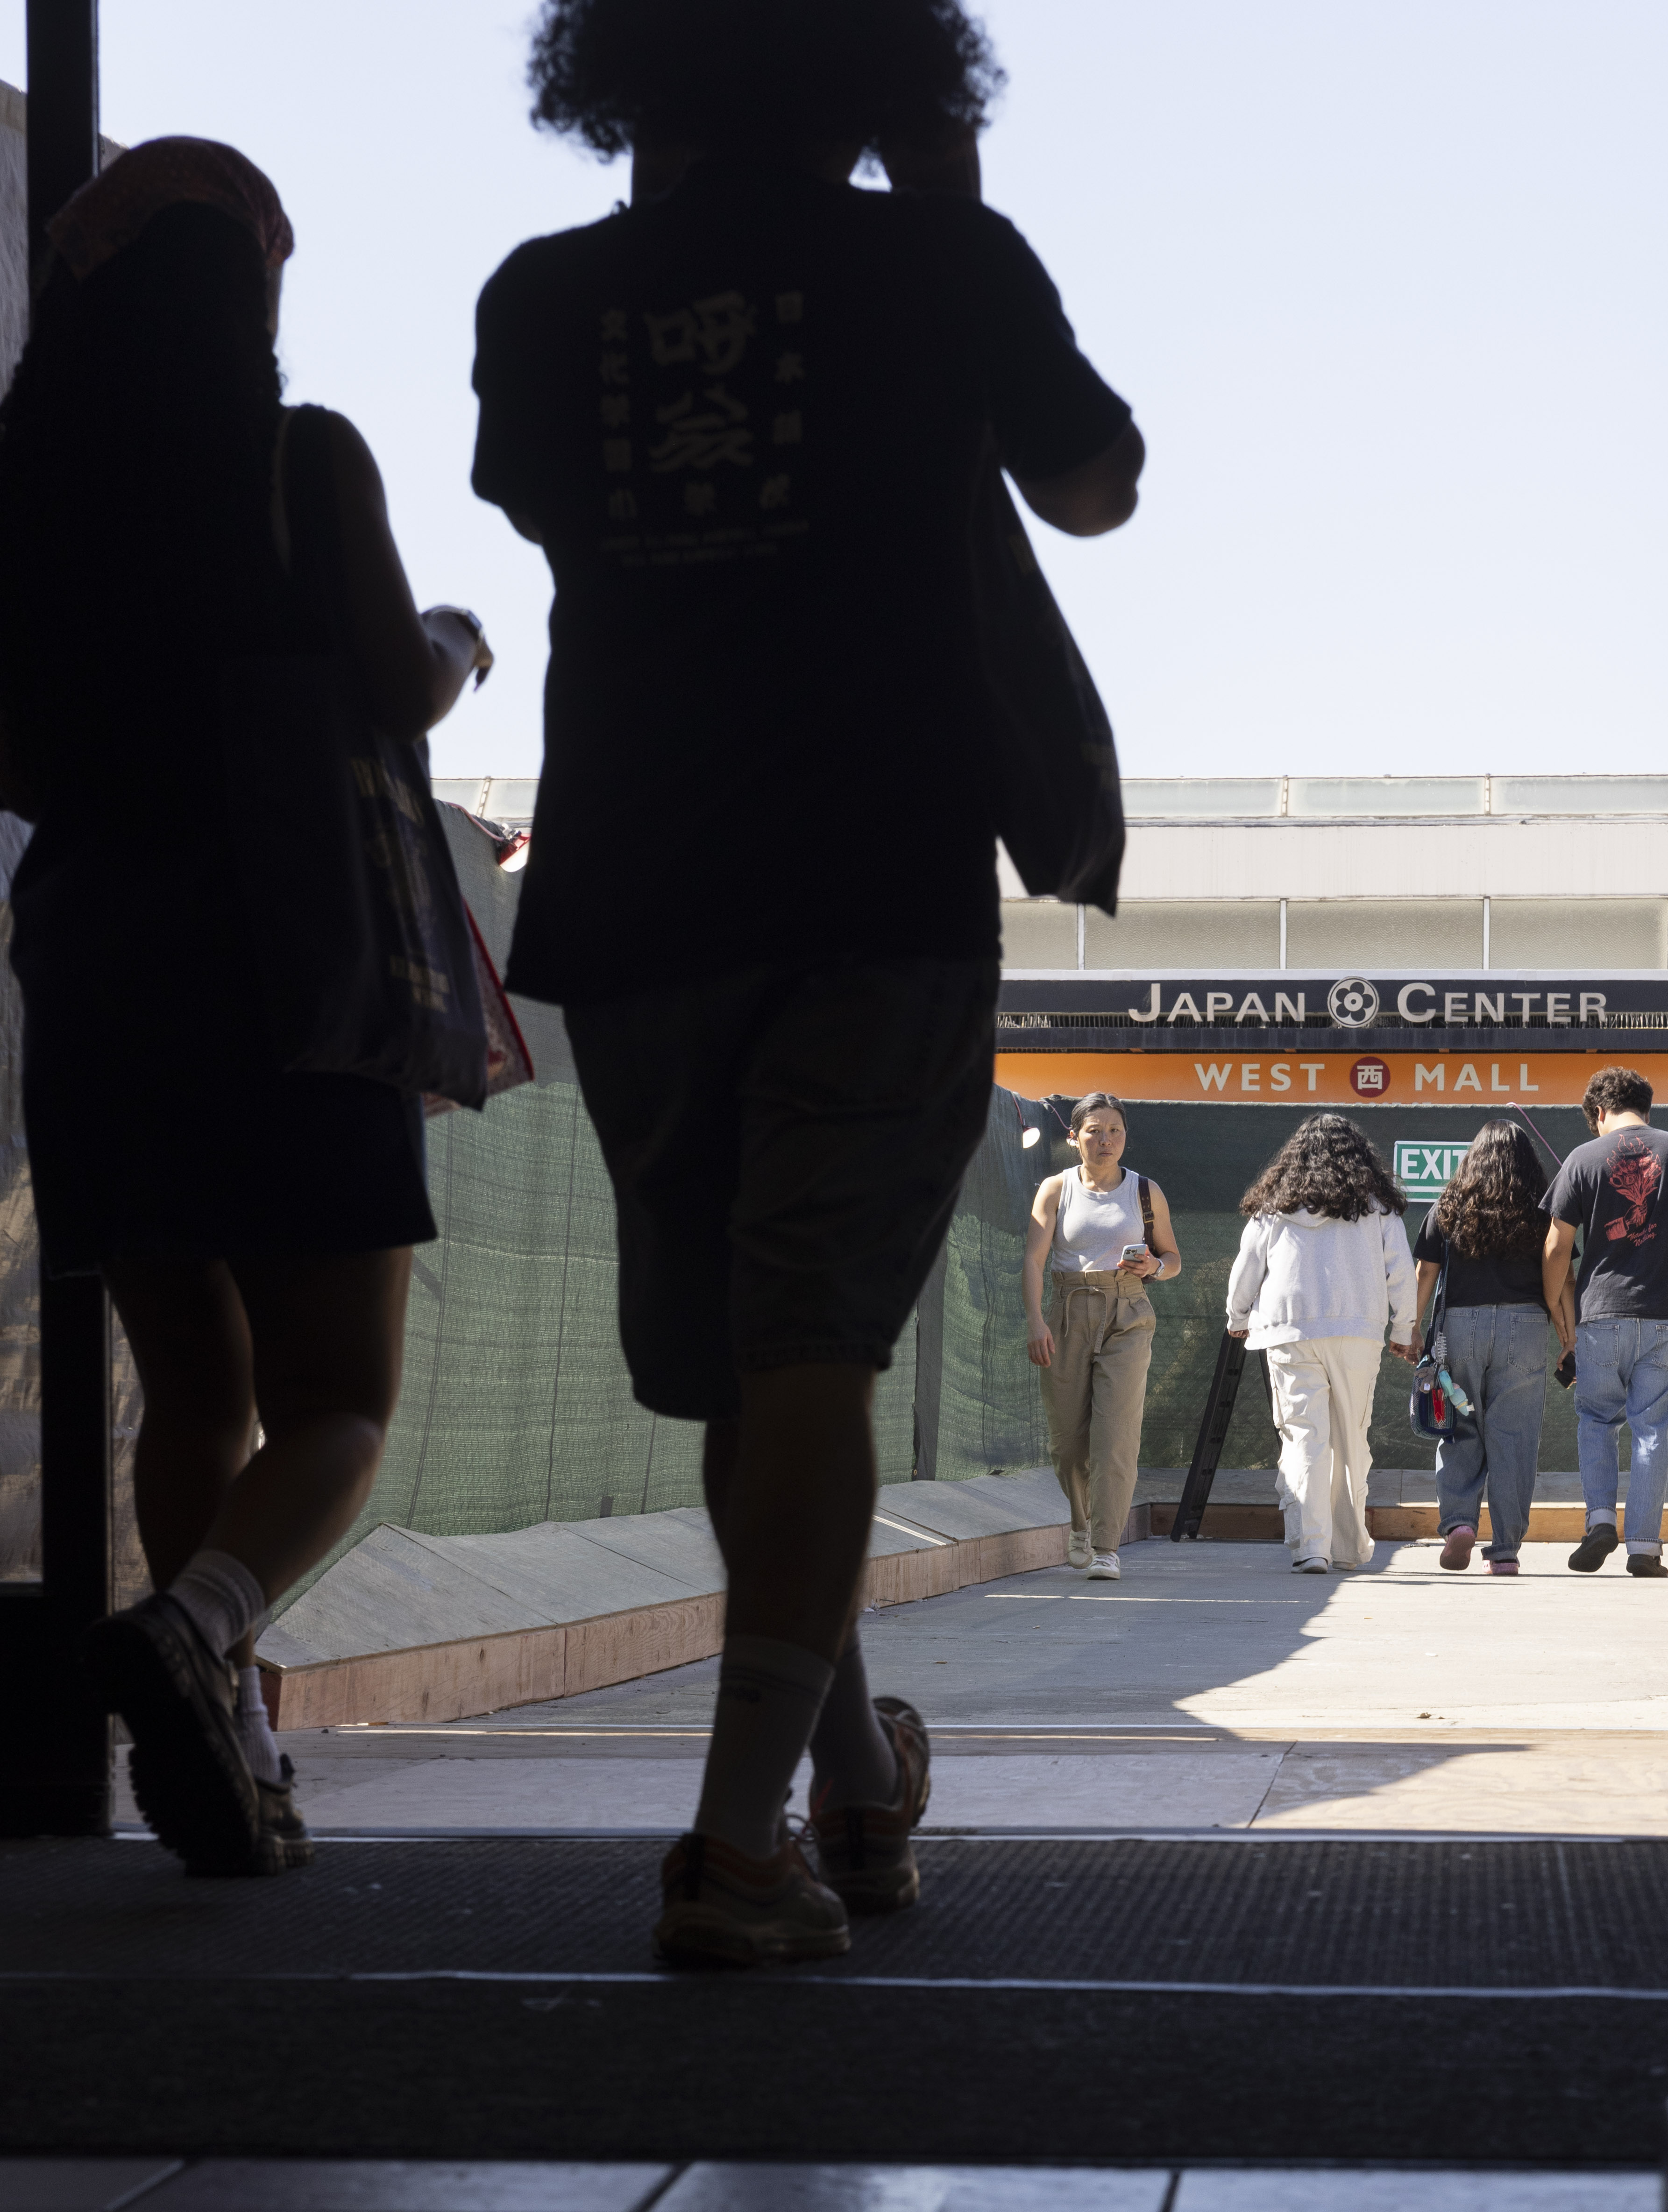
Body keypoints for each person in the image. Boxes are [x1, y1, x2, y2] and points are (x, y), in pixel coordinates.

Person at [473, 0, 1143, 1965]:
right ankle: (729, 1842)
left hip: (639, 886)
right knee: (807, 1350)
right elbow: (1094, 485)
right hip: (875, 878)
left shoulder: (544, 298)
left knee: (741, 1366)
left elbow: (537, 499)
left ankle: (843, 1781)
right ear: (889, 77)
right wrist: (945, 207)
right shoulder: (940, 264)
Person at [0, 141, 492, 1876]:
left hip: (93, 961)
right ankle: (201, 1625)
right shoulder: (301, 456)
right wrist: (460, 631)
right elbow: (391, 686)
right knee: (338, 1403)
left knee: (189, 1389)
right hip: (292, 962)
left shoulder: (23, 488)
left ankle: (241, 1751)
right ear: (257, 288)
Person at [1541, 1067, 1668, 1578]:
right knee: (1652, 1428)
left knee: (1597, 1420)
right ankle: (1644, 1546)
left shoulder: (1581, 1159)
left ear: (1598, 1112)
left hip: (1600, 1318)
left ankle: (1599, 1519)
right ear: (1647, 1106)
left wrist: (1556, 1306)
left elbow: (1556, 1247)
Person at [1226, 1115, 1413, 1573]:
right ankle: (1348, 1547)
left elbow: (1245, 1268)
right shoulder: (1378, 1209)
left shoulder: (1272, 1208)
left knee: (1304, 1437)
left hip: (1288, 1331)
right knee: (1352, 1439)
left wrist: (1237, 1316)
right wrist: (1403, 1329)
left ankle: (1312, 1546)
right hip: (1358, 1332)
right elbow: (1402, 1273)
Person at [1023, 1092, 1178, 1580]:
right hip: (1067, 1311)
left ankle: (1107, 1547)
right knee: (1068, 1441)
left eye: (1114, 1130)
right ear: (1074, 1138)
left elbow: (1172, 1259)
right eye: (1094, 1131)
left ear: (1125, 1137)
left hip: (1128, 1312)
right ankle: (1081, 1524)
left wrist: (1154, 1266)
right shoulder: (1055, 1188)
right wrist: (1035, 1322)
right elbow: (1032, 1260)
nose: (1105, 1140)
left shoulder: (1145, 1192)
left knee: (1115, 1435)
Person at [1411, 1120, 1573, 1576]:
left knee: (1459, 1424)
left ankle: (1459, 1523)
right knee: (1514, 1439)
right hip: (1525, 1327)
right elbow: (1562, 1278)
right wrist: (1568, 1338)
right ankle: (1504, 1549)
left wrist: (1409, 1328)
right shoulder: (1543, 1210)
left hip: (1461, 1325)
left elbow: (1425, 1271)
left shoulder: (1450, 1204)